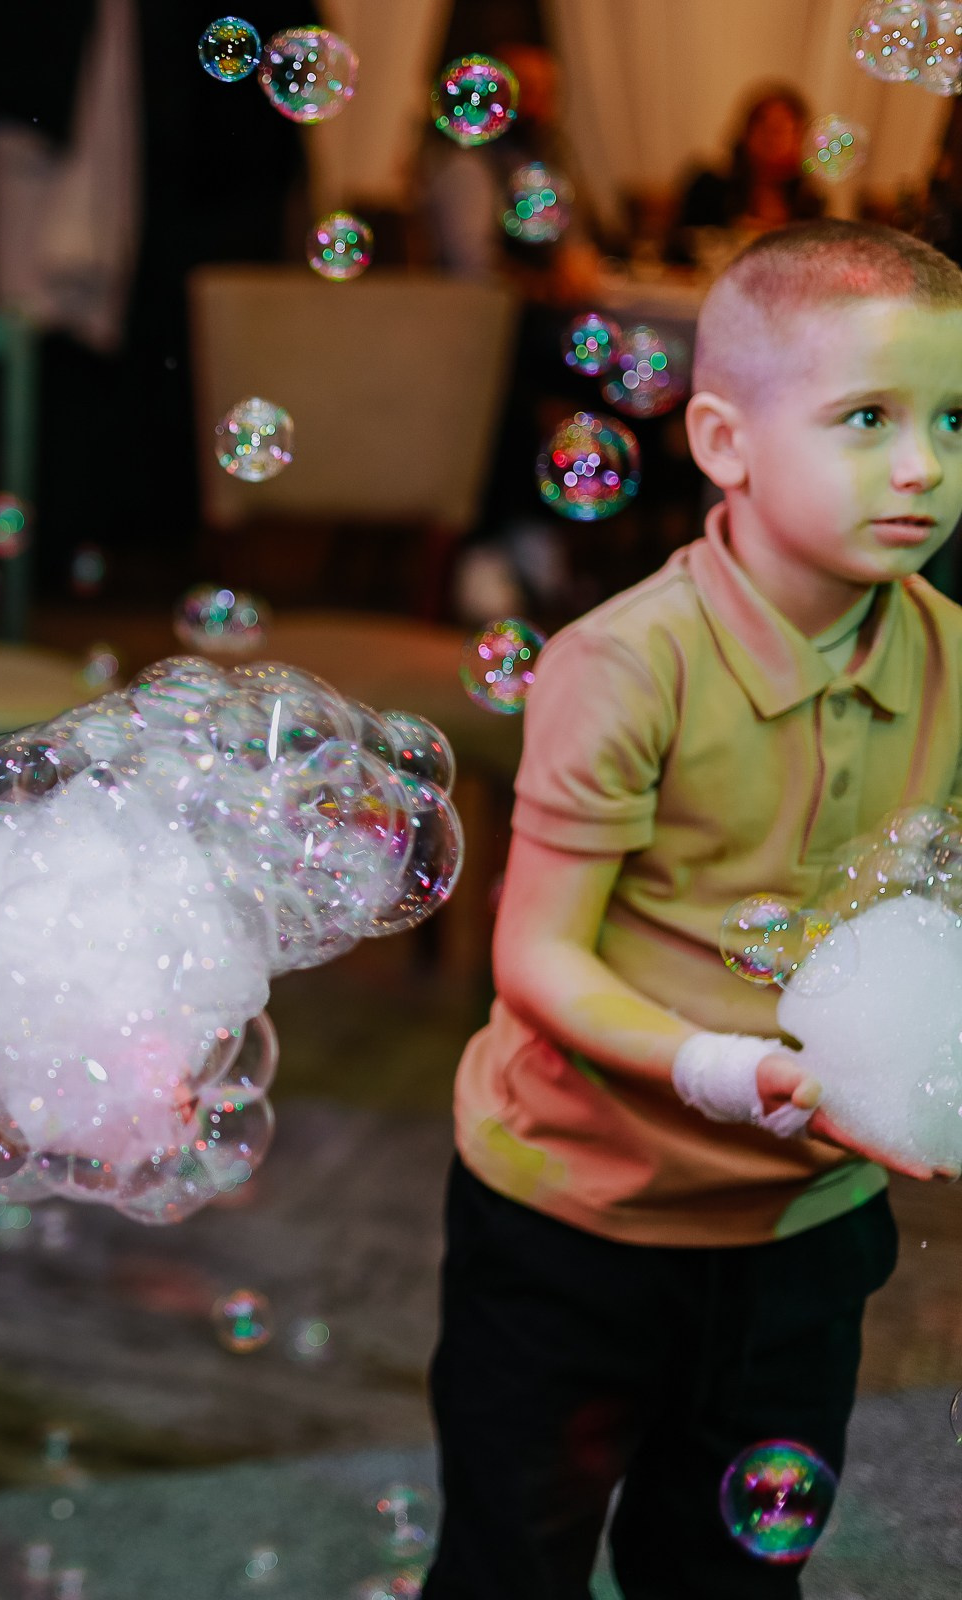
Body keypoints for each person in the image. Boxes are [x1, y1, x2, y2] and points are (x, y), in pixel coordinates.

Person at [426, 219, 962, 1598]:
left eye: (954, 420)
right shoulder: (626, 665)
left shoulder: (953, 658)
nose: (923, 466)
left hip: (803, 1228)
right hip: (574, 1217)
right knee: (512, 1566)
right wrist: (727, 1071)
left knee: (729, 1574)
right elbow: (537, 955)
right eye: (869, 418)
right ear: (724, 441)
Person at [678, 87, 826, 259]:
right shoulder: (708, 189)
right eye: (765, 128)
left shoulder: (809, 203)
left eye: (783, 131)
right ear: (746, 134)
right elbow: (681, 247)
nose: (773, 141)